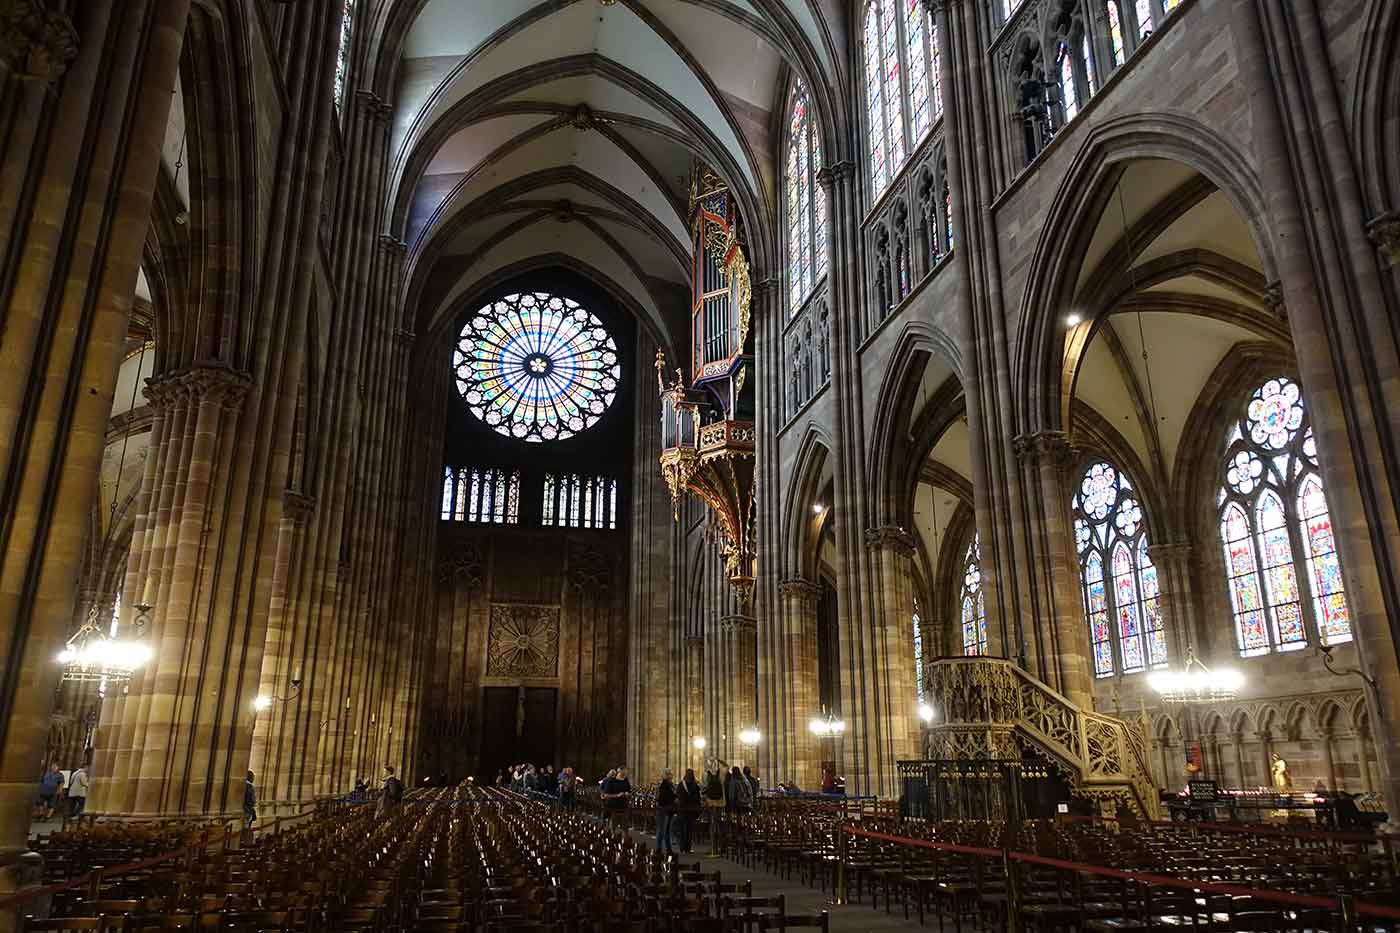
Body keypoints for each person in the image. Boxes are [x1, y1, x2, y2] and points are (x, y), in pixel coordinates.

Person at [676, 768, 702, 854]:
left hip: (682, 810)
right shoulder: (695, 785)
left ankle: (682, 847)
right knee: (689, 830)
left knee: (682, 829)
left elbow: (678, 796)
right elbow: (698, 799)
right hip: (691, 811)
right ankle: (688, 847)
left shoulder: (681, 784)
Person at [655, 768, 677, 855]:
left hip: (669, 810)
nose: (672, 775)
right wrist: (674, 799)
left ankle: (668, 849)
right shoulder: (664, 785)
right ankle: (659, 849)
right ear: (667, 775)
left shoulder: (670, 784)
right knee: (661, 830)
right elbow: (663, 798)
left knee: (667, 831)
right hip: (663, 810)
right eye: (670, 774)